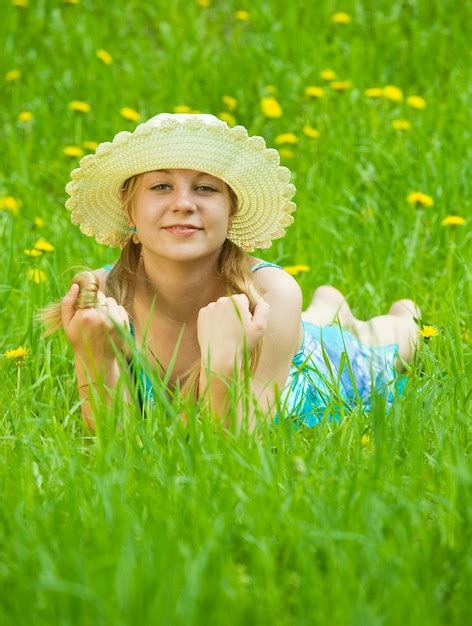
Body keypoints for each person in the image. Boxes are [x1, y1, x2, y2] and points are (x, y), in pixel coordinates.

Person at [40, 113, 420, 432]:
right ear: (129, 209)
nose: (183, 204)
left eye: (205, 188)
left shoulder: (271, 294)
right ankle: (327, 307)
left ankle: (389, 317)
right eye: (161, 186)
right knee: (320, 318)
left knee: (385, 344)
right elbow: (115, 441)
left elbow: (234, 444)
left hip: (309, 362)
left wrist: (223, 365)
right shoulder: (109, 295)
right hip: (288, 331)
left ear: (231, 211)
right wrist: (93, 357)